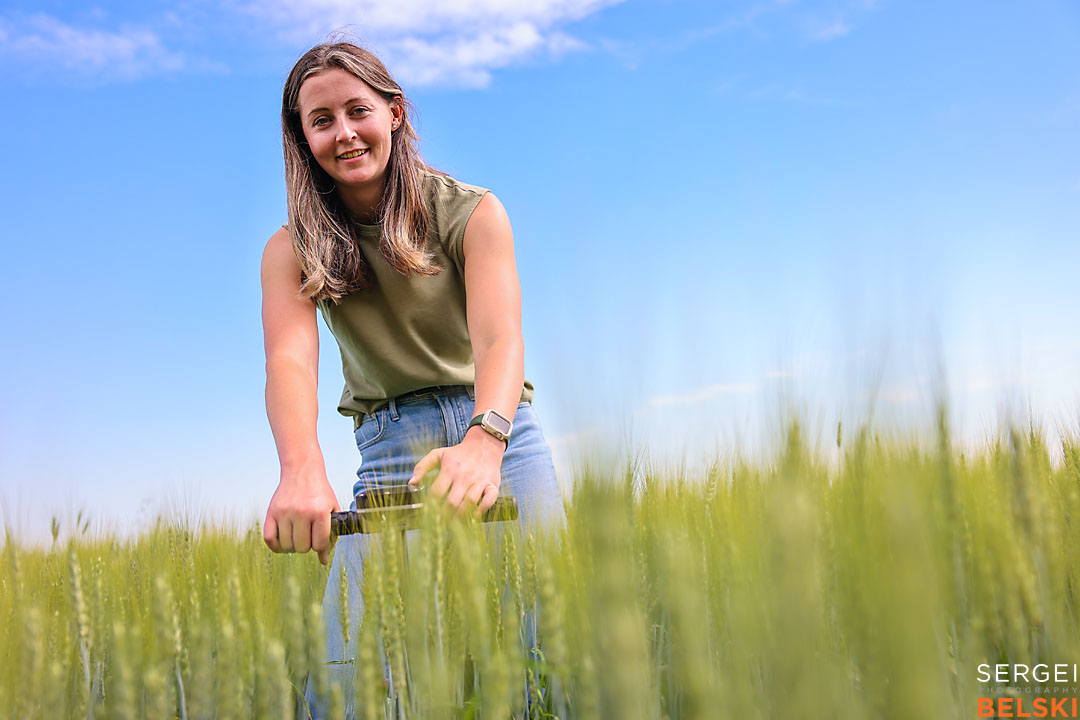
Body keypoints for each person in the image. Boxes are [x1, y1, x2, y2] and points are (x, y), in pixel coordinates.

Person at [260, 40, 565, 717]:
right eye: (321, 120)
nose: (343, 133)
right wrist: (301, 466)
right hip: (391, 445)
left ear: (394, 114)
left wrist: (486, 440)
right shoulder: (290, 250)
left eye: (358, 110)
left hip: (503, 437)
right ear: (302, 137)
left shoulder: (472, 210)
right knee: (348, 676)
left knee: (550, 657)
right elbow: (288, 361)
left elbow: (499, 337)